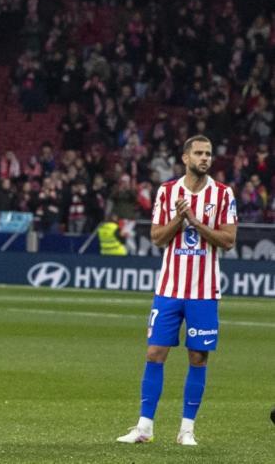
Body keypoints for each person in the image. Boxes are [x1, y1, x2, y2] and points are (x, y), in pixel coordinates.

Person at [117, 135, 237, 446]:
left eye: (208, 153)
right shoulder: (167, 192)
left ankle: (187, 429)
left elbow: (228, 240)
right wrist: (179, 218)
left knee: (198, 357)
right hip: (169, 289)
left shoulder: (223, 194)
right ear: (185, 158)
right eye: (198, 153)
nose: (205, 158)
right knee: (155, 352)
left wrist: (195, 222)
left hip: (204, 291)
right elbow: (157, 237)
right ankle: (145, 427)